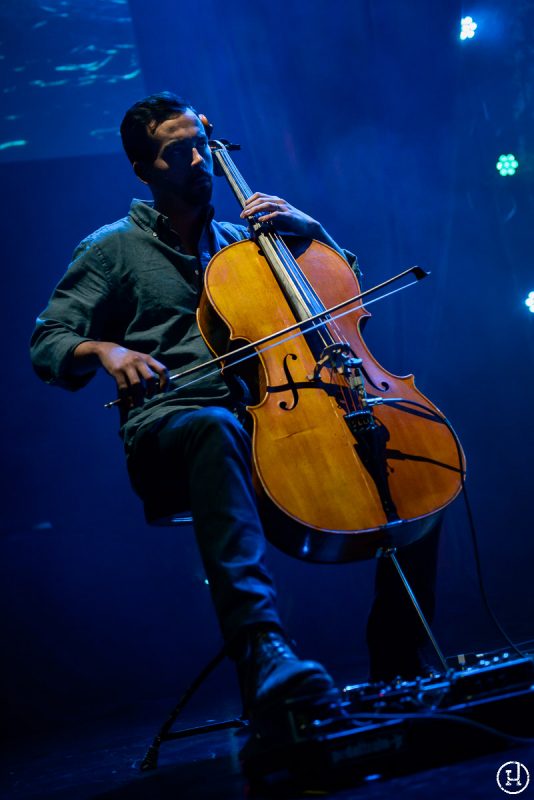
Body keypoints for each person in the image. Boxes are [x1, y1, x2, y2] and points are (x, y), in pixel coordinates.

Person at [30, 92, 440, 722]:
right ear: (144, 169)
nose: (200, 159)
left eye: (203, 144)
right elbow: (48, 340)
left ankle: (400, 660)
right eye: (178, 151)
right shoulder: (111, 249)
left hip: (266, 422)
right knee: (213, 425)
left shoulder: (246, 245)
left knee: (407, 451)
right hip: (175, 429)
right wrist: (107, 351)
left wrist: (314, 231)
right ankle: (262, 652)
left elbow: (334, 299)